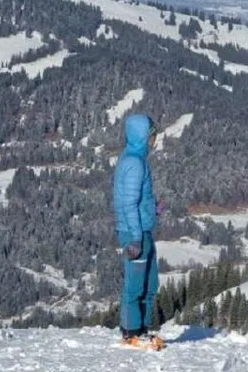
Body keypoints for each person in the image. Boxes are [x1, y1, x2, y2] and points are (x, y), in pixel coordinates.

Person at [112, 113, 163, 349]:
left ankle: (142, 329)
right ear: (144, 136)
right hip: (135, 234)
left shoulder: (136, 159)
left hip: (143, 229)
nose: (155, 140)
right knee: (135, 286)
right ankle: (130, 331)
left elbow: (138, 199)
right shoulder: (134, 163)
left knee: (150, 284)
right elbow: (127, 204)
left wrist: (153, 208)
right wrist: (134, 238)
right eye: (153, 135)